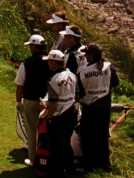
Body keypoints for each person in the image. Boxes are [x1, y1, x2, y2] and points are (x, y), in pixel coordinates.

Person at [76, 43, 118, 172]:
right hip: (104, 107)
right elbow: (116, 82)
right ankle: (105, 165)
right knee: (102, 137)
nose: (85, 56)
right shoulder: (109, 67)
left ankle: (88, 166)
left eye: (86, 54)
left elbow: (80, 92)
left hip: (90, 107)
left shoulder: (83, 72)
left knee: (86, 137)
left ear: (91, 55)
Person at [42, 49, 79, 177]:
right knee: (66, 143)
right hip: (72, 112)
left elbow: (52, 102)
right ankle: (70, 171)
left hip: (59, 115)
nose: (48, 64)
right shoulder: (72, 75)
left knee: (56, 148)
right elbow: (77, 94)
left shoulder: (53, 80)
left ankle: (57, 173)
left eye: (49, 62)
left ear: (54, 62)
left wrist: (50, 117)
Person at [15, 34, 51, 166]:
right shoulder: (51, 60)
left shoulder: (27, 63)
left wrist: (18, 102)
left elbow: (20, 85)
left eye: (31, 46)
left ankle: (34, 159)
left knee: (31, 130)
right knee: (47, 130)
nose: (30, 48)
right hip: (48, 101)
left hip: (31, 100)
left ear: (35, 47)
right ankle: (47, 158)